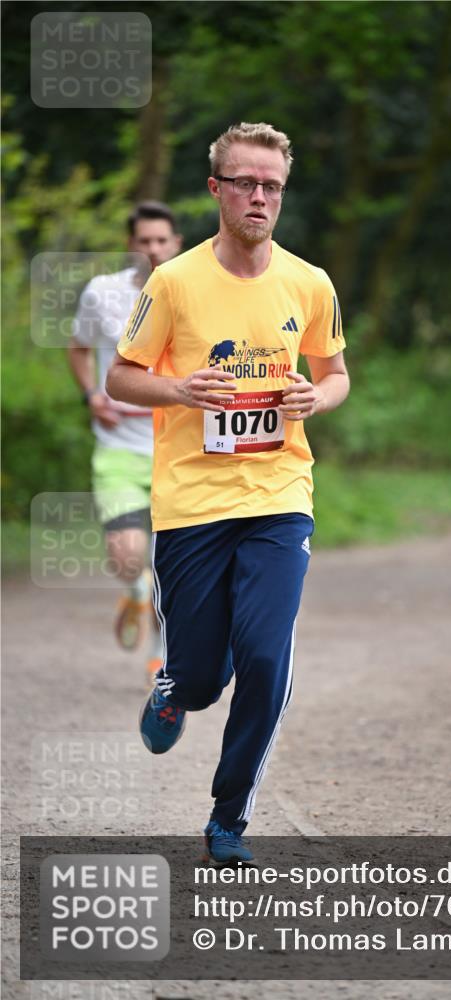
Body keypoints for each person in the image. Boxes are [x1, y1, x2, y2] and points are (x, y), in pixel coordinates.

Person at [106, 122, 349, 864]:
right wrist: (180, 389)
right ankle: (174, 688)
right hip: (191, 504)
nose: (259, 197)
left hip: (280, 496)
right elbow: (120, 377)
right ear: (217, 189)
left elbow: (336, 374)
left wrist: (316, 398)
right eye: (245, 183)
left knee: (267, 659)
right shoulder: (174, 282)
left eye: (272, 185)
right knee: (205, 677)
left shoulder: (309, 283)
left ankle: (228, 818)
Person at [69, 202, 182, 680]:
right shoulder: (103, 293)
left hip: (179, 449)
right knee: (129, 556)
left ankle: (162, 651)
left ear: (176, 243)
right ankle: (135, 592)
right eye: (144, 240)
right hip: (119, 445)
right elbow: (78, 347)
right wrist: (92, 394)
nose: (153, 248)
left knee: (172, 565)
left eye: (161, 240)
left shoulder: (194, 293)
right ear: (130, 245)